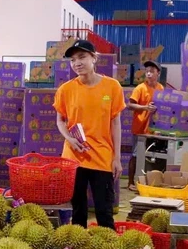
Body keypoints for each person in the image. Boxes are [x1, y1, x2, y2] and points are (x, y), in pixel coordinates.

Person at [54, 39, 125, 229]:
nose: (77, 63)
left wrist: (117, 158)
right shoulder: (66, 90)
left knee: (104, 211)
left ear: (94, 58)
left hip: (102, 156)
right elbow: (60, 120)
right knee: (78, 211)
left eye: (82, 57)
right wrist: (68, 138)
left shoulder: (112, 87)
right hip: (74, 156)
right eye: (73, 59)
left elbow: (115, 122)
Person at [126, 60, 163, 190]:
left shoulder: (160, 88)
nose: (148, 73)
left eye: (152, 71)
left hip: (154, 130)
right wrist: (145, 108)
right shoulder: (140, 88)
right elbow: (129, 105)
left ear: (158, 73)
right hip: (140, 129)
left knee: (152, 156)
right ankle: (130, 182)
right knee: (136, 155)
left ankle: (149, 182)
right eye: (147, 71)